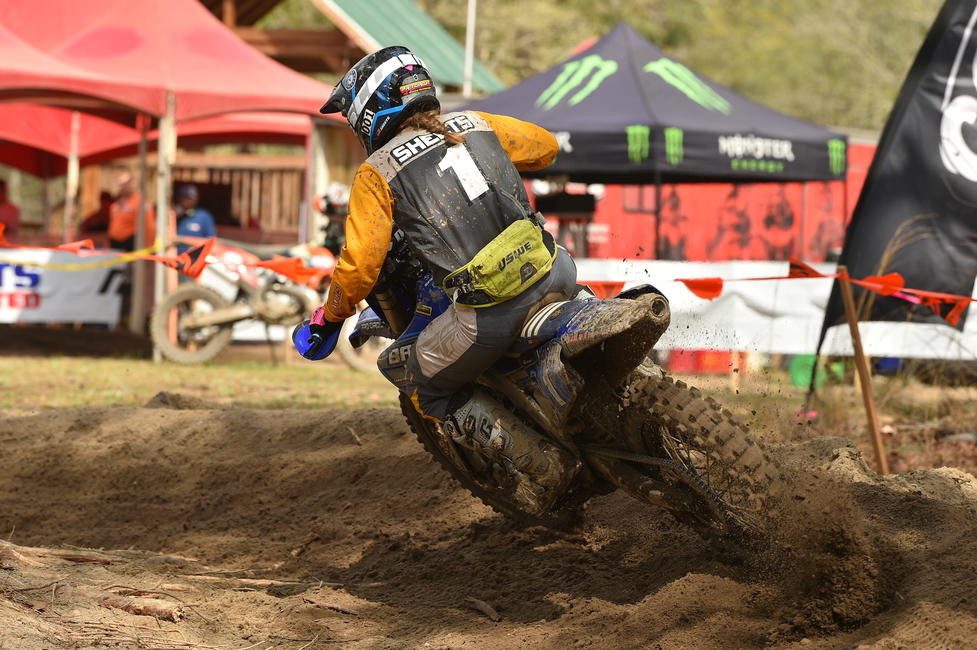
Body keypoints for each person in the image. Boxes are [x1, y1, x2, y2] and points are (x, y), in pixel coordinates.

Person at [295, 46, 578, 501]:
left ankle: (544, 467)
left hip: (490, 311)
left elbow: (361, 265)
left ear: (372, 110)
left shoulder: (377, 172)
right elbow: (545, 147)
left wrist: (328, 319)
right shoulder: (477, 123)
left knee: (425, 386)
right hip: (556, 270)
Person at [108, 171, 155, 251]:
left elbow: (149, 226)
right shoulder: (116, 204)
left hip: (131, 245)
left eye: (124, 184)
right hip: (115, 246)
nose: (121, 187)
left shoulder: (140, 202)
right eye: (120, 184)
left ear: (133, 183)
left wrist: (148, 248)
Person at [175, 184, 217, 249]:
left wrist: (183, 240)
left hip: (196, 257)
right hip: (177, 256)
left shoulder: (204, 216)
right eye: (184, 198)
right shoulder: (176, 216)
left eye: (190, 198)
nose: (187, 201)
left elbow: (211, 241)